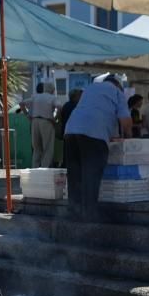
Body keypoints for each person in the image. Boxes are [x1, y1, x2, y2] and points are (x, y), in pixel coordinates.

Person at [63, 73, 132, 222]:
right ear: (118, 85)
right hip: (93, 135)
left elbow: (95, 112)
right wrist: (130, 136)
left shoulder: (90, 88)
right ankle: (89, 217)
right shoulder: (117, 93)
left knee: (75, 175)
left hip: (71, 131)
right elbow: (125, 121)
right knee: (91, 176)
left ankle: (73, 214)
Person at [22, 82, 57, 168]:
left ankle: (35, 168)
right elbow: (59, 107)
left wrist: (27, 115)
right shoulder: (51, 98)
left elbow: (21, 104)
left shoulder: (34, 97)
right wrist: (55, 118)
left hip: (34, 122)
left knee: (36, 148)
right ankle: (45, 168)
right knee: (47, 147)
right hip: (46, 121)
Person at [58, 88, 82, 168]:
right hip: (75, 132)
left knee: (66, 151)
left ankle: (66, 165)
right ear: (75, 97)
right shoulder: (77, 106)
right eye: (79, 96)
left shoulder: (66, 105)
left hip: (66, 131)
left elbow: (61, 118)